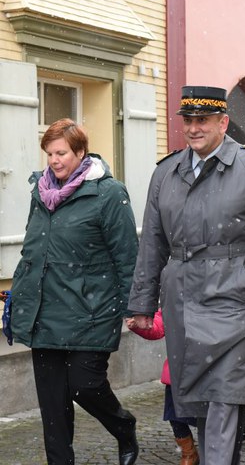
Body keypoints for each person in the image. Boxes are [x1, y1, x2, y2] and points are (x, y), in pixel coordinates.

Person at [127, 86, 245, 465]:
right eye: (187, 120)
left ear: (223, 122)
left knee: (225, 396)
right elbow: (152, 244)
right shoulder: (166, 173)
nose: (193, 128)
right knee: (202, 403)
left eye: (202, 120)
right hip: (184, 303)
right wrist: (141, 302)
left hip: (240, 300)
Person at [10, 118, 139, 465]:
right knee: (52, 406)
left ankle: (123, 426)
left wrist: (136, 306)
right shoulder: (40, 194)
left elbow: (127, 256)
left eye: (61, 152)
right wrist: (17, 297)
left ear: (80, 152)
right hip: (45, 309)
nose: (54, 160)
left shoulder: (109, 193)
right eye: (49, 153)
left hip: (91, 309)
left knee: (85, 385)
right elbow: (32, 251)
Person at [126, 310, 199, 465]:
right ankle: (189, 453)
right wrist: (141, 325)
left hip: (209, 368)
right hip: (179, 370)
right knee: (175, 416)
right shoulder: (177, 294)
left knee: (210, 417)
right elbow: (159, 324)